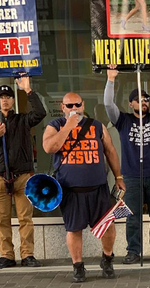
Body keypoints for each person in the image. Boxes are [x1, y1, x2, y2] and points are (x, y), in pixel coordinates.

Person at [42, 93, 125, 282]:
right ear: (62, 107)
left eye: (77, 105)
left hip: (98, 188)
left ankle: (107, 259)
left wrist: (118, 177)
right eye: (69, 105)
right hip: (71, 190)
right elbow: (49, 147)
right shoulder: (54, 126)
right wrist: (68, 127)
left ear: (83, 105)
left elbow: (110, 150)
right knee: (74, 229)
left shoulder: (96, 125)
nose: (74, 109)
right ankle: (78, 266)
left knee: (108, 226)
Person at [105, 64, 150, 264]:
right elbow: (109, 105)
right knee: (132, 217)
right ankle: (133, 251)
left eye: (146, 100)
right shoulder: (123, 120)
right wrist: (110, 79)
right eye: (138, 100)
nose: (143, 102)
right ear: (130, 104)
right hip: (132, 175)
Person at [0, 76, 46, 269]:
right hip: (1, 178)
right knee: (2, 219)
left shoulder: (22, 120)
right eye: (1, 97)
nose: (5, 100)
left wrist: (28, 90)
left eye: (8, 96)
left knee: (25, 219)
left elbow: (40, 113)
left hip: (22, 177)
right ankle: (6, 255)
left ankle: (28, 254)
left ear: (13, 100)